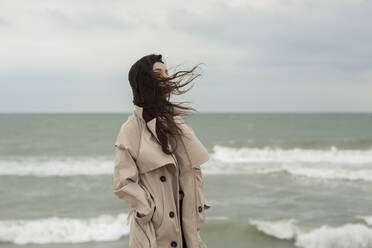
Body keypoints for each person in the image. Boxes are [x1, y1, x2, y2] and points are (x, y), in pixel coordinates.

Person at [113, 54, 211, 248]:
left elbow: (192, 169)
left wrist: (199, 205)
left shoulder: (175, 121)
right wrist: (147, 209)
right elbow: (122, 183)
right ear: (144, 80)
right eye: (159, 73)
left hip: (187, 222)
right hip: (156, 229)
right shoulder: (131, 129)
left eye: (167, 72)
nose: (167, 77)